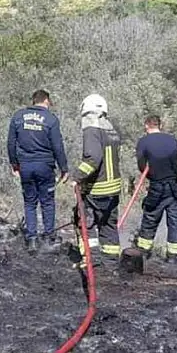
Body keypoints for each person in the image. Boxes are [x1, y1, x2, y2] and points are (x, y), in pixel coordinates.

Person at [7, 89, 69, 252]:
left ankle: (32, 239)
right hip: (45, 166)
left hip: (25, 166)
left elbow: (10, 143)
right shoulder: (50, 119)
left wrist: (14, 164)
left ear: (33, 100)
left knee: (29, 202)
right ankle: (49, 236)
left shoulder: (18, 116)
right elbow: (57, 146)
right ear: (46, 101)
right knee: (47, 201)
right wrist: (64, 168)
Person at [71, 94, 123, 260]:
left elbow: (93, 158)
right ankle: (111, 260)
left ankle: (91, 259)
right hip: (113, 188)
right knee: (108, 224)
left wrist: (77, 177)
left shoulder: (92, 129)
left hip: (97, 187)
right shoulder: (111, 129)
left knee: (85, 221)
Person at [133, 115, 177, 263]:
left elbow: (141, 165)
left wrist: (152, 173)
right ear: (160, 125)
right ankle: (173, 258)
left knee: (150, 218)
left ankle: (143, 253)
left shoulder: (143, 142)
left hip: (157, 187)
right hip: (175, 187)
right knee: (175, 221)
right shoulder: (172, 140)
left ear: (146, 126)